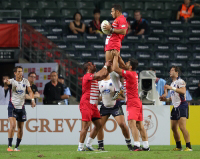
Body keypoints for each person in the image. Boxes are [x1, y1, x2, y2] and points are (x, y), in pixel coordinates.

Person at [113, 51, 150, 151]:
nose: (126, 64)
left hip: (133, 102)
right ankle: (146, 146)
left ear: (130, 67)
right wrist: (118, 56)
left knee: (132, 124)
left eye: (128, 63)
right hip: (137, 101)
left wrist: (115, 57)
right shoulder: (132, 73)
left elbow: (115, 68)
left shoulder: (129, 74)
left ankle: (137, 145)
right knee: (140, 125)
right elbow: (123, 65)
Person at [78, 60, 112, 151]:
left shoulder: (94, 77)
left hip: (93, 105)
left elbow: (104, 75)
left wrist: (109, 68)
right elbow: (99, 74)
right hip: (86, 103)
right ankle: (80, 147)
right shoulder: (87, 76)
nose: (95, 65)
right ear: (89, 67)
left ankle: (88, 144)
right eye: (92, 65)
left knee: (99, 125)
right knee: (86, 126)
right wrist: (105, 66)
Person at [160, 66, 192, 151]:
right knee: (173, 128)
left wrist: (171, 88)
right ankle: (179, 146)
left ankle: (189, 147)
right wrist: (165, 99)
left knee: (182, 127)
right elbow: (172, 98)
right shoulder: (172, 84)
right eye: (170, 70)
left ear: (177, 73)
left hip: (182, 105)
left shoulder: (180, 81)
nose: (170, 71)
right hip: (175, 106)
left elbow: (183, 91)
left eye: (172, 70)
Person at [4, 66, 36, 151]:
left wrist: (32, 100)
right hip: (12, 106)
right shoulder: (12, 81)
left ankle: (17, 147)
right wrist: (5, 82)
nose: (20, 73)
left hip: (21, 107)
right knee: (13, 126)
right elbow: (7, 83)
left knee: (21, 128)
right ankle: (9, 146)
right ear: (15, 73)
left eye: (21, 71)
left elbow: (30, 91)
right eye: (18, 71)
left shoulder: (25, 81)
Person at [97, 74, 133, 151]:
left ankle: (129, 144)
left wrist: (115, 97)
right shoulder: (99, 83)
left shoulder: (114, 80)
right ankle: (101, 146)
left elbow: (121, 92)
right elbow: (99, 96)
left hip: (115, 106)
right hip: (104, 106)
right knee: (99, 126)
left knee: (122, 124)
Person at [103, 4, 128, 100]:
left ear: (117, 11)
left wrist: (111, 29)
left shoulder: (122, 19)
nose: (111, 13)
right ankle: (119, 86)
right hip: (110, 44)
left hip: (114, 44)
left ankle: (120, 86)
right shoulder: (116, 20)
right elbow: (113, 31)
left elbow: (123, 31)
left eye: (112, 11)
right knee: (110, 69)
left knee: (111, 67)